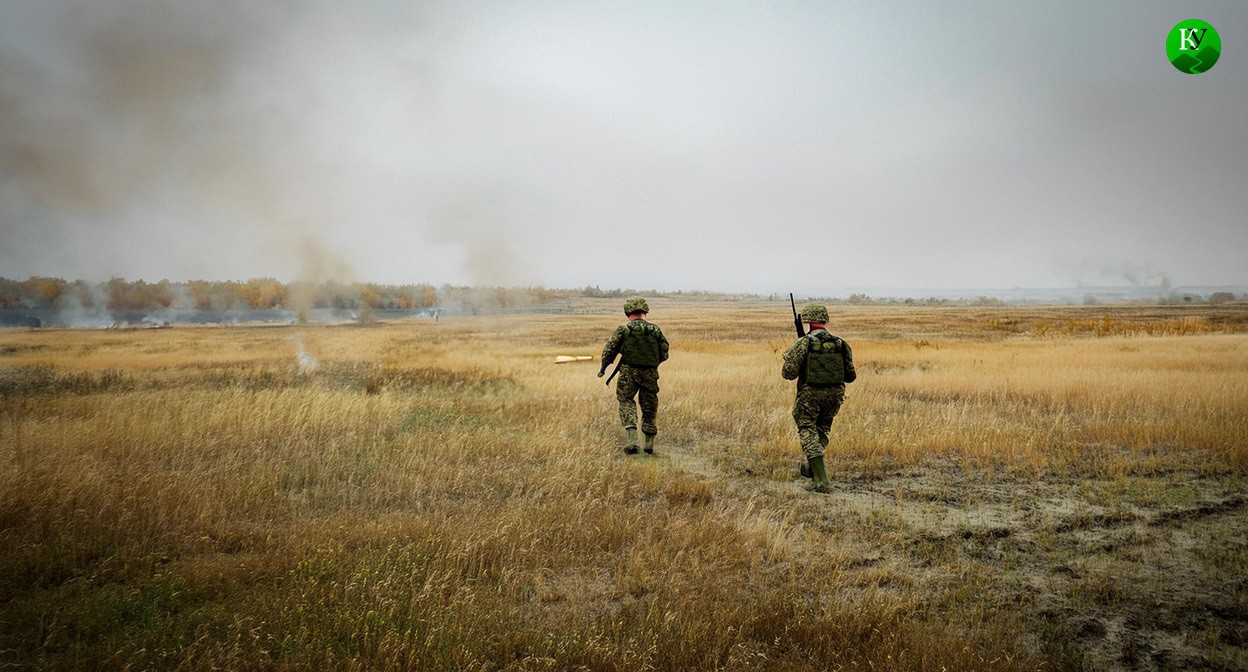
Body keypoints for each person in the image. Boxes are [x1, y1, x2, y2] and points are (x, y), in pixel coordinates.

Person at [782, 303, 856, 493]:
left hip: (810, 394)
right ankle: (811, 467)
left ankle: (821, 481)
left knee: (807, 429)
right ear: (823, 321)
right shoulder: (841, 343)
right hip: (835, 395)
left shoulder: (804, 343)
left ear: (808, 323)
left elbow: (788, 373)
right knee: (822, 429)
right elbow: (851, 376)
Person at [599, 297, 670, 455]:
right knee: (649, 405)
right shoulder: (655, 330)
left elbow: (609, 351)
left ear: (627, 312)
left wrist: (603, 368)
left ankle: (632, 439)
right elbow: (665, 352)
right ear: (645, 311)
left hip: (628, 373)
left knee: (626, 401)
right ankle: (649, 443)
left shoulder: (624, 330)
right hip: (651, 374)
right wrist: (652, 363)